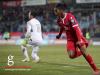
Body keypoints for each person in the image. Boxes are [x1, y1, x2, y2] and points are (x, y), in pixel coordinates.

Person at [54, 3, 100, 75]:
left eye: (56, 10)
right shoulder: (58, 21)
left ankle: (96, 69)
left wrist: (79, 40)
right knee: (71, 56)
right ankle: (81, 51)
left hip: (78, 36)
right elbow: (61, 27)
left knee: (85, 53)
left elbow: (76, 29)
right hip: (70, 39)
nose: (55, 12)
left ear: (61, 10)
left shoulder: (70, 17)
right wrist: (59, 35)